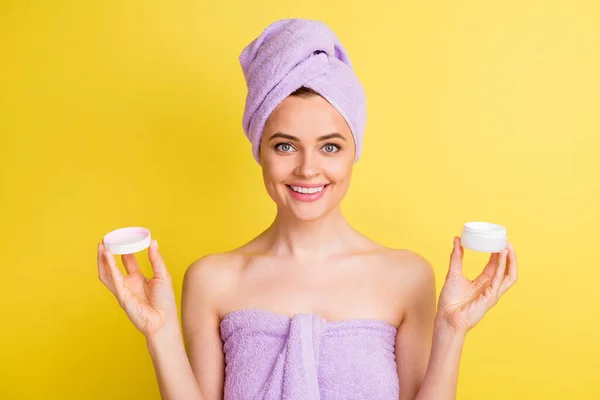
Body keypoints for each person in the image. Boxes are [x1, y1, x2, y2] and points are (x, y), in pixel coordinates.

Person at [97, 18, 518, 400]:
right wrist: (161, 334)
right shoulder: (212, 280)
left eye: (330, 146)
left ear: (355, 151)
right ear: (259, 151)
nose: (308, 169)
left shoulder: (408, 278)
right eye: (285, 145)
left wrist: (452, 332)